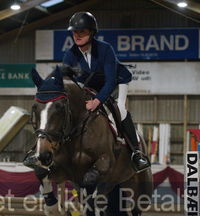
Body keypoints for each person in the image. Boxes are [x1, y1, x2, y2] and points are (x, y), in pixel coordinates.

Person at [63, 11, 150, 172]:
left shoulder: (105, 49)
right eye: (75, 32)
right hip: (91, 86)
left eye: (82, 31)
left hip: (117, 83)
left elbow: (110, 81)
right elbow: (68, 81)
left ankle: (137, 153)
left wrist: (97, 101)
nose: (77, 35)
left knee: (121, 111)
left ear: (91, 32)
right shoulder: (70, 54)